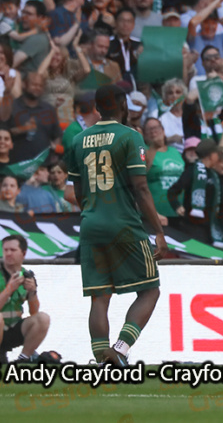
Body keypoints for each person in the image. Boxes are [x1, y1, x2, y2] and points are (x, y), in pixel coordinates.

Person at [64, 84, 169, 366]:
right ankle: (120, 349)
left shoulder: (78, 140)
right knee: (150, 289)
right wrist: (158, 231)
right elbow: (141, 188)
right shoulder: (130, 137)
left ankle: (102, 362)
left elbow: (77, 191)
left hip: (91, 224)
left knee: (99, 297)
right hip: (123, 224)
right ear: (124, 106)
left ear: (97, 108)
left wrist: (93, 211)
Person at [0, 235, 51, 362]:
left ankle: (23, 359)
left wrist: (32, 292)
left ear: (23, 253)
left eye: (13, 250)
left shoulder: (26, 275)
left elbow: (34, 312)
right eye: (5, 250)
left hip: (12, 328)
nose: (8, 253)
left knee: (43, 318)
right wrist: (9, 289)